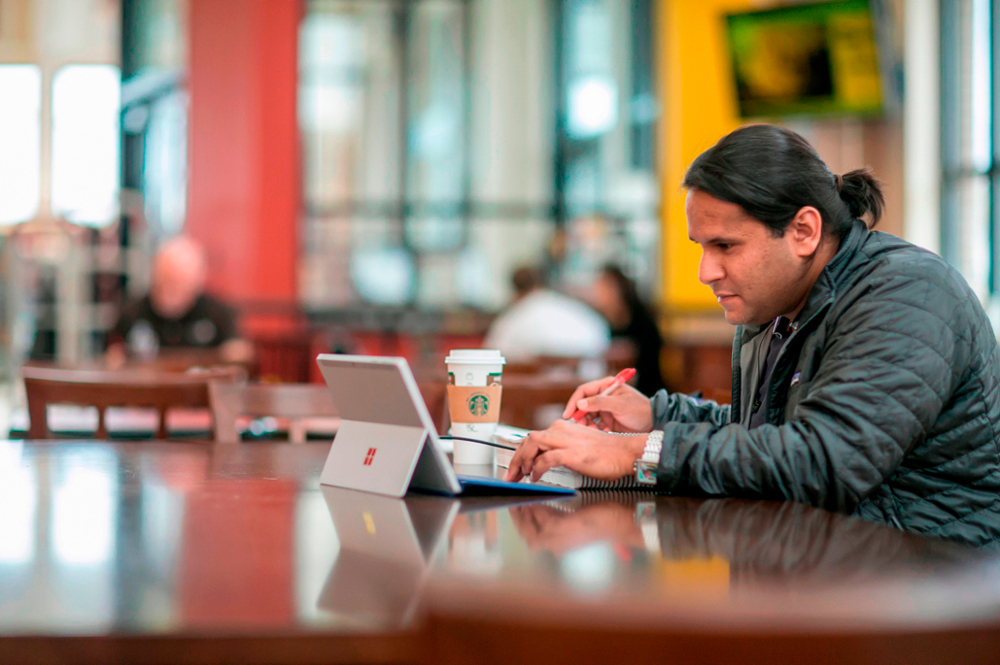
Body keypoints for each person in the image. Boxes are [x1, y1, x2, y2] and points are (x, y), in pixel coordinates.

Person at [507, 124, 1000, 548]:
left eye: (725, 245)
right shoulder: (773, 306)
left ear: (805, 230)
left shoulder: (906, 294)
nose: (705, 271)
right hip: (834, 568)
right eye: (702, 246)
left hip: (933, 588)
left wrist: (639, 452)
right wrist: (656, 414)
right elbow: (769, 439)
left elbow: (822, 461)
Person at [106, 236, 253, 368]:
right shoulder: (131, 312)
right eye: (167, 279)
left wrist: (234, 354)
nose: (172, 290)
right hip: (145, 393)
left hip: (198, 394)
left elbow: (240, 352)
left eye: (180, 282)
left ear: (198, 280)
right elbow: (111, 356)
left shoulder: (218, 314)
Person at [483, 266, 610, 362]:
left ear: (515, 291)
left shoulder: (511, 318)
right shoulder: (572, 309)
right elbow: (601, 338)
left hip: (530, 393)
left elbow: (492, 353)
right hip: (586, 388)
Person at [590, 264, 666, 394]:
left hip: (647, 392)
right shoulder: (602, 323)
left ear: (618, 289)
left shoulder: (641, 321)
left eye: (603, 289)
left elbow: (647, 367)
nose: (598, 295)